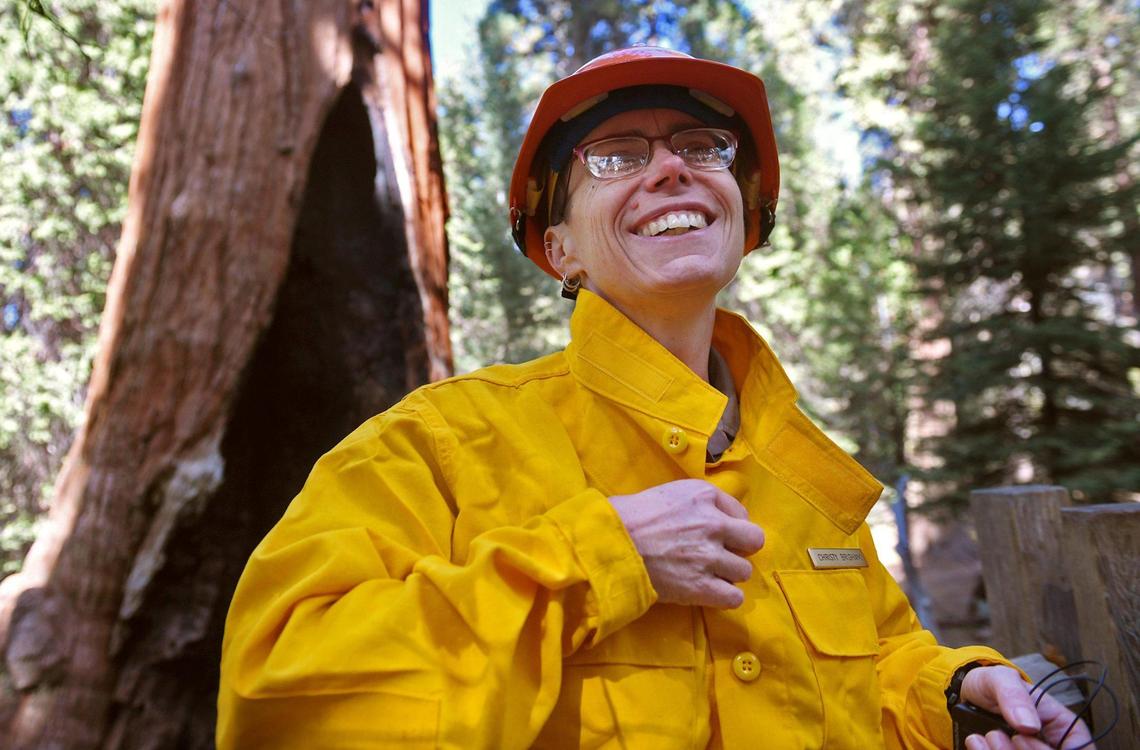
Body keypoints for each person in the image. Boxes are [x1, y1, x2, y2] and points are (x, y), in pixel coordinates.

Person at [217, 47, 1091, 749]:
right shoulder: (434, 445)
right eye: (617, 155)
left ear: (743, 217)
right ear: (559, 250)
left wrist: (958, 695)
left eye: (702, 148)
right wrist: (602, 557)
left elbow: (880, 664)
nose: (672, 168)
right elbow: (282, 696)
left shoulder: (807, 480)